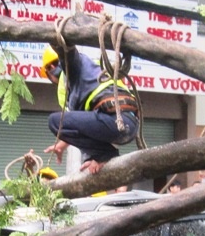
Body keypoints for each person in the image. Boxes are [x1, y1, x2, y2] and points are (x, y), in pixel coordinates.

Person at [41, 45, 140, 175]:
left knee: (54, 122)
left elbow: (68, 53)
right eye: (49, 68)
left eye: (55, 63)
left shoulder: (73, 66)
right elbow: (80, 126)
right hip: (123, 123)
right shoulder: (75, 82)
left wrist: (62, 43)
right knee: (62, 124)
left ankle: (104, 154)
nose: (54, 69)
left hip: (116, 119)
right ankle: (101, 155)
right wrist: (62, 145)